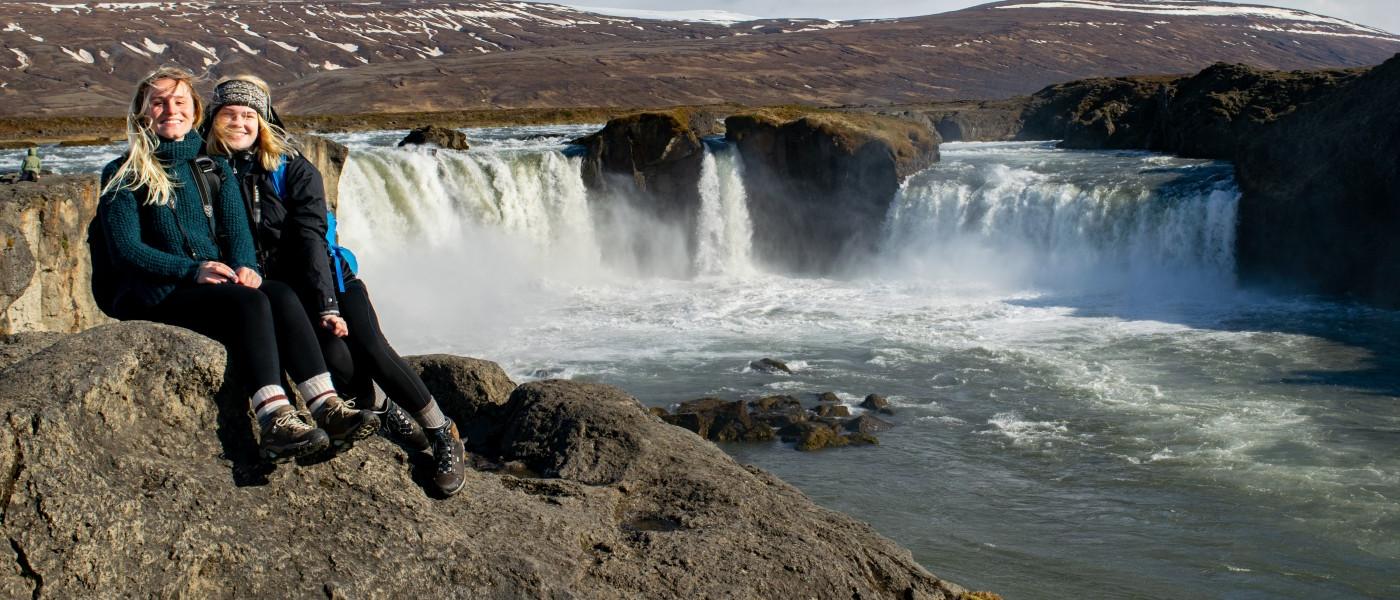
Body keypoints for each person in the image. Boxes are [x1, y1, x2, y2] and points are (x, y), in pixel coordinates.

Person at [201, 75, 467, 496]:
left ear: (264, 120)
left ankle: (442, 432)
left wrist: (328, 305)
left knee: (372, 348)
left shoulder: (292, 168)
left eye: (248, 115)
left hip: (330, 280)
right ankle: (386, 412)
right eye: (229, 114)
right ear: (212, 119)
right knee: (340, 367)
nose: (239, 123)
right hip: (279, 294)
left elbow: (311, 240)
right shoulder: (208, 171)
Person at [97, 66, 379, 462]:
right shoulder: (124, 173)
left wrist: (247, 265)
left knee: (276, 293)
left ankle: (326, 406)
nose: (169, 110)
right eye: (157, 103)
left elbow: (237, 233)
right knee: (250, 303)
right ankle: (276, 420)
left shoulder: (213, 167)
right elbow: (126, 249)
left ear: (195, 112)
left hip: (206, 283)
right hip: (158, 291)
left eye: (178, 102)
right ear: (142, 113)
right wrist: (191, 270)